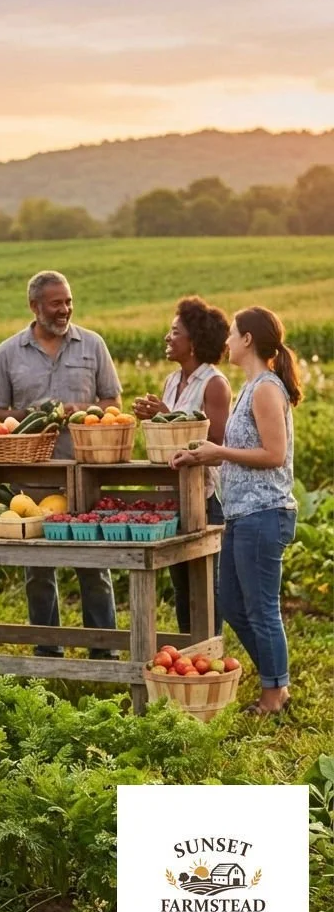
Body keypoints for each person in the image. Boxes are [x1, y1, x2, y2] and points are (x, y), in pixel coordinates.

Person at [0, 270, 122, 658]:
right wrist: (33, 414)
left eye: (68, 302)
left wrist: (81, 409)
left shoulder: (92, 345)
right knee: (38, 570)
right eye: (56, 303)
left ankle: (104, 651)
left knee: (94, 567)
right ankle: (48, 652)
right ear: (35, 306)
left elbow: (113, 404)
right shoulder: (8, 352)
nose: (65, 310)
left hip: (84, 476)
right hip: (31, 477)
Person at [171, 306, 301, 716]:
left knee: (261, 608)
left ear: (248, 340)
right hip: (242, 514)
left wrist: (219, 450)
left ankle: (272, 694)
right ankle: (276, 679)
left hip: (265, 513)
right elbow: (242, 453)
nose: (226, 342)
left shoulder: (265, 388)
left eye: (232, 335)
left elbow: (274, 455)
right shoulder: (252, 386)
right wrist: (200, 457)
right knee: (230, 603)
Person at [133, 297, 231, 635]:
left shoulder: (214, 384)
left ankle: (209, 653)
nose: (167, 337)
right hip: (170, 496)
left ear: (194, 342)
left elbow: (216, 444)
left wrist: (163, 414)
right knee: (180, 586)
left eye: (175, 332)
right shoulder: (173, 380)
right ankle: (187, 658)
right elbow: (167, 432)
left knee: (205, 586)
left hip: (202, 499)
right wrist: (152, 417)